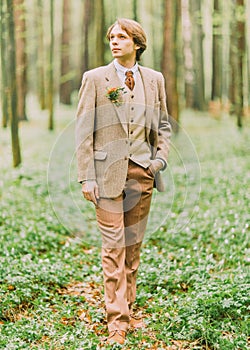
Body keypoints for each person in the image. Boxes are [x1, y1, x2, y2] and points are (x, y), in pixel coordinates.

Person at [76, 18, 171, 346]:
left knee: (132, 248)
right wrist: (87, 176)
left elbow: (163, 125)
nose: (114, 42)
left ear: (137, 43)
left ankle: (128, 309)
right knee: (113, 247)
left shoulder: (154, 80)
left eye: (122, 37)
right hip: (106, 176)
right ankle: (117, 321)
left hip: (142, 173)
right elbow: (83, 130)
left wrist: (159, 160)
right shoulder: (95, 79)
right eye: (112, 37)